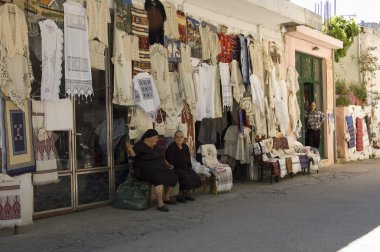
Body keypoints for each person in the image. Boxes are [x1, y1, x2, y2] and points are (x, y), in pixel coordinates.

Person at [126, 129, 178, 212]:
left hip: (158, 169)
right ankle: (160, 204)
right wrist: (129, 150)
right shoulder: (139, 145)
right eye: (156, 138)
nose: (157, 140)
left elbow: (162, 157)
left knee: (173, 176)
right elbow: (133, 155)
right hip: (144, 171)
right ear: (148, 138)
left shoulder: (155, 146)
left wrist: (168, 165)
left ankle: (166, 197)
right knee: (158, 178)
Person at [166, 130, 202, 203]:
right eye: (177, 137)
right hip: (176, 168)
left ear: (183, 138)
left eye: (181, 137)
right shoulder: (172, 147)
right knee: (184, 177)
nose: (179, 138)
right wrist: (172, 166)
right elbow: (170, 159)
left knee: (194, 176)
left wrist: (189, 166)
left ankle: (187, 194)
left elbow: (188, 158)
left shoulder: (185, 146)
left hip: (185, 167)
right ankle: (180, 195)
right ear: (174, 138)